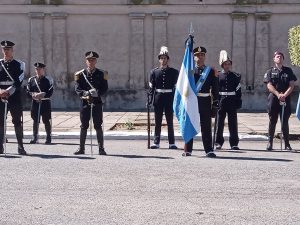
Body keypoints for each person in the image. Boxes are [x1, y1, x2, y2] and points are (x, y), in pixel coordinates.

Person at [183, 46, 219, 157]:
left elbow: (215, 89)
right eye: (197, 55)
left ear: (205, 56)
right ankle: (188, 149)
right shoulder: (189, 71)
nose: (200, 57)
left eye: (202, 55)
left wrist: (215, 103)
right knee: (189, 124)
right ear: (193, 57)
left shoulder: (210, 71)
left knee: (206, 126)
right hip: (192, 101)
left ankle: (208, 150)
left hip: (205, 101)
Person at [74, 51, 108, 155]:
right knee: (84, 125)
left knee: (98, 125)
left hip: (97, 102)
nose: (91, 62)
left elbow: (105, 88)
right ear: (86, 61)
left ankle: (101, 148)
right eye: (89, 60)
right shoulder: (80, 74)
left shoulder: (102, 74)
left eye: (93, 60)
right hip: (85, 103)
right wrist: (85, 92)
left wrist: (97, 93)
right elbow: (77, 88)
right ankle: (81, 148)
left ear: (96, 61)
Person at [264, 51, 297, 150]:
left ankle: (287, 144)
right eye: (277, 56)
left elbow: (292, 85)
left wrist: (285, 95)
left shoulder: (288, 71)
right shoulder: (270, 71)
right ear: (274, 59)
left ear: (283, 59)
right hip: (274, 99)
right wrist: (278, 95)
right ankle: (270, 143)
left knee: (285, 122)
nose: (279, 58)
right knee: (272, 121)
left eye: (281, 56)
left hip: (285, 98)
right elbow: (269, 85)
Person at [147, 46, 179, 149]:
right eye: (161, 58)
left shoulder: (174, 72)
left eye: (165, 58)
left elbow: (176, 88)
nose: (163, 60)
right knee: (158, 121)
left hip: (169, 98)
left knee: (170, 121)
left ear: (168, 59)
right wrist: (150, 100)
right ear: (159, 59)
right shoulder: (154, 72)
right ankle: (156, 142)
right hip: (158, 98)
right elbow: (151, 88)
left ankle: (172, 142)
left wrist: (176, 100)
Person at [0, 40, 26, 155]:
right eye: (4, 49)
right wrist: (0, 91)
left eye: (8, 50)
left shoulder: (19, 64)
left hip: (14, 95)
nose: (6, 52)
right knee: (0, 122)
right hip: (0, 95)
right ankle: (0, 146)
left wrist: (8, 91)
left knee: (17, 121)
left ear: (12, 51)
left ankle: (20, 146)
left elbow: (19, 80)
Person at [215, 50, 242, 150]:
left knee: (233, 123)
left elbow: (238, 90)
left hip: (231, 101)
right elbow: (215, 90)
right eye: (225, 64)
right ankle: (218, 142)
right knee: (219, 123)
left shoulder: (235, 76)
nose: (227, 66)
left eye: (229, 64)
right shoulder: (217, 75)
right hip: (221, 100)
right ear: (222, 65)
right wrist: (215, 101)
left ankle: (234, 143)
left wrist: (238, 101)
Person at [26, 62, 53, 144]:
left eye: (39, 69)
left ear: (43, 70)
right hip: (35, 103)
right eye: (36, 69)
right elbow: (27, 91)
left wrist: (43, 94)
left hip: (45, 102)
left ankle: (48, 137)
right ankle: (35, 137)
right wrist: (33, 95)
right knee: (35, 120)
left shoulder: (48, 79)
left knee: (46, 120)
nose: (38, 71)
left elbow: (50, 91)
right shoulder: (31, 80)